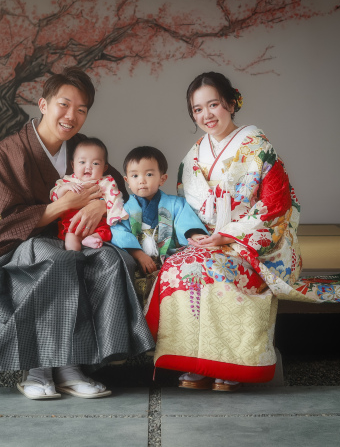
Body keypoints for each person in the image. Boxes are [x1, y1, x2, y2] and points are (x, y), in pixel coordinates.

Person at [0, 67, 154, 400]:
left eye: (81, 110)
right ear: (43, 104)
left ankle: (74, 365)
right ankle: (38, 369)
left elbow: (114, 182)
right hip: (15, 246)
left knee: (110, 259)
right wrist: (65, 205)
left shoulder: (81, 147)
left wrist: (99, 207)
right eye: (64, 105)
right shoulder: (10, 151)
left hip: (71, 238)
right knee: (58, 260)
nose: (71, 116)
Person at [144, 71, 302, 392]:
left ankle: (232, 364)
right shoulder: (193, 157)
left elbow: (277, 205)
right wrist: (196, 236)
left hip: (253, 242)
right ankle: (194, 362)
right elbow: (186, 210)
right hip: (208, 239)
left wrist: (230, 235)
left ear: (230, 103)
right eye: (198, 109)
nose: (206, 115)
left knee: (218, 268)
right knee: (178, 267)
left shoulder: (258, 147)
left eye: (213, 104)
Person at [110, 146, 208, 299]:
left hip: (170, 260)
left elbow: (186, 222)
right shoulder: (122, 210)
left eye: (149, 174)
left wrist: (195, 234)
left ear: (162, 178)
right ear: (127, 181)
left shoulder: (176, 203)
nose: (141, 180)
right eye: (135, 176)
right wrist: (139, 255)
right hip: (138, 263)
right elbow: (118, 233)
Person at [50, 138, 128, 251]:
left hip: (98, 222)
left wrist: (111, 213)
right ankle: (74, 255)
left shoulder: (107, 182)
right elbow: (54, 195)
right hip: (73, 222)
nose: (88, 167)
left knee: (106, 232)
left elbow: (116, 199)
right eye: (82, 162)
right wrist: (65, 188)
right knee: (71, 237)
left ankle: (92, 239)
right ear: (73, 165)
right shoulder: (68, 181)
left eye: (95, 163)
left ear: (104, 168)